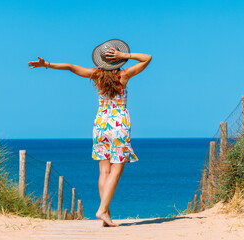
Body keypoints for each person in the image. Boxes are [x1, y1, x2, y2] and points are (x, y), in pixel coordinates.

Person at [27, 39, 152, 227]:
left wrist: (47, 65)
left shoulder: (96, 75)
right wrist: (124, 55)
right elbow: (147, 58)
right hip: (119, 126)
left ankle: (106, 214)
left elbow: (69, 67)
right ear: (118, 61)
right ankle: (102, 210)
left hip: (100, 125)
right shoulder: (124, 75)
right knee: (116, 170)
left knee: (104, 170)